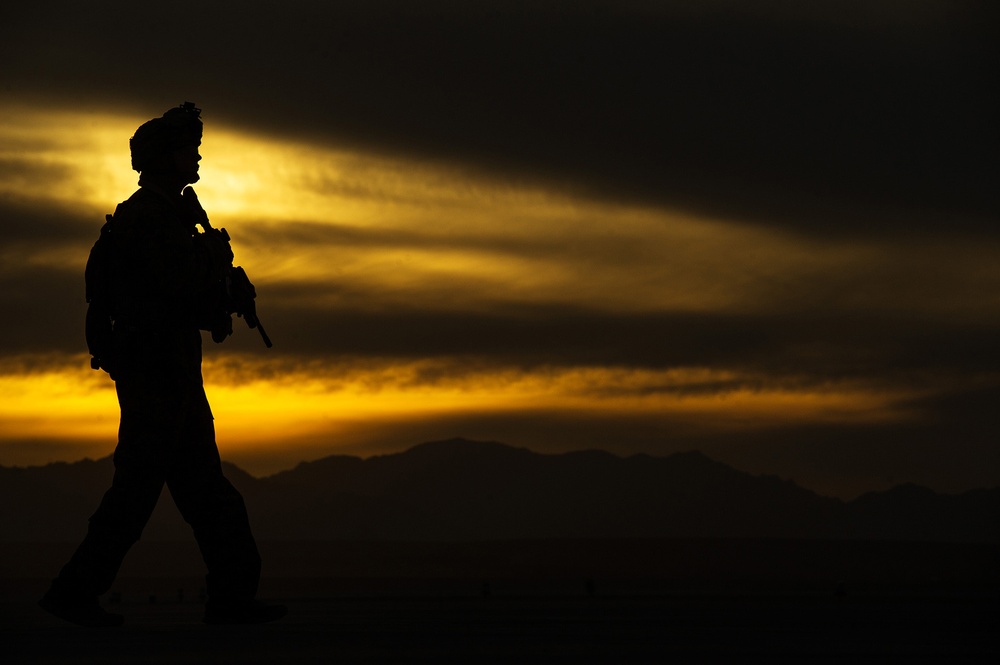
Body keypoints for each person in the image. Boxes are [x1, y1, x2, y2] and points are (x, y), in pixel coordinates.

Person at [39, 102, 286, 627]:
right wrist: (218, 264)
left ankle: (231, 598)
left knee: (206, 495)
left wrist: (224, 294)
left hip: (169, 375)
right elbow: (168, 290)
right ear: (164, 159)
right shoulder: (148, 219)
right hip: (157, 378)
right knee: (141, 494)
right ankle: (74, 593)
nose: (195, 157)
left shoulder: (163, 216)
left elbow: (180, 298)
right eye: (187, 150)